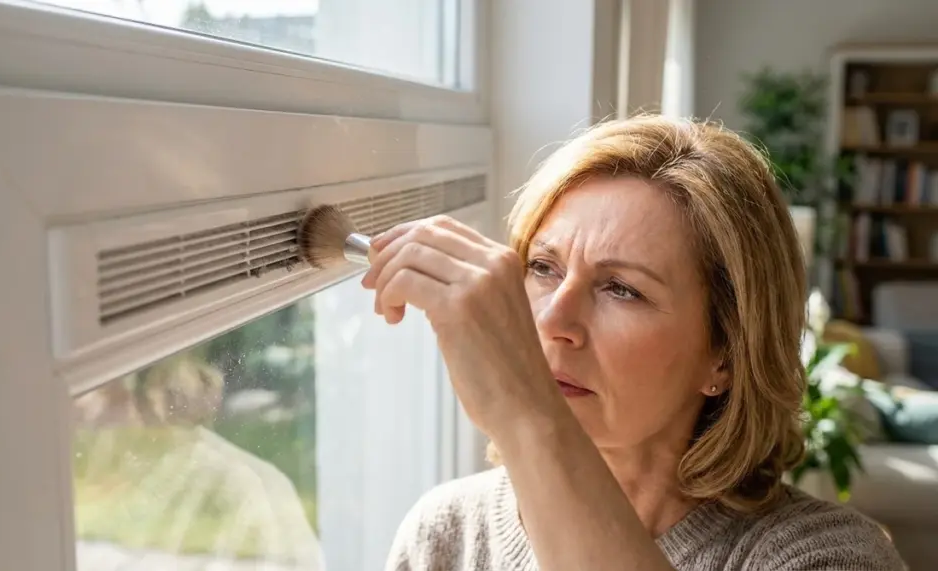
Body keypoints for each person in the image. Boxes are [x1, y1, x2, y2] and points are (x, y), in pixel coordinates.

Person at [360, 115, 905, 570]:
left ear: (727, 354)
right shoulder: (447, 535)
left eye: (622, 289)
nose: (554, 320)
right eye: (543, 267)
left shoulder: (827, 556)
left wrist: (529, 416)